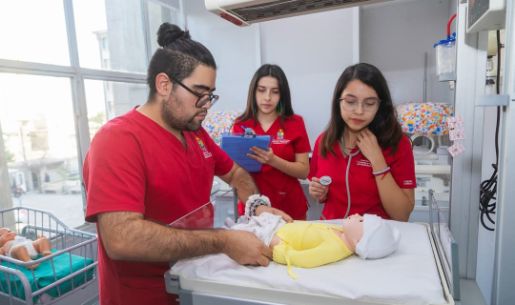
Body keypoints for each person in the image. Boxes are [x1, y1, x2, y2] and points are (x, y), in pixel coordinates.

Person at [83, 23, 291, 305]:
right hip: (143, 295)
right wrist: (223, 241)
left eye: (211, 95)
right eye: (200, 93)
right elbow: (122, 238)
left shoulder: (194, 132)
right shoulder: (118, 140)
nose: (207, 104)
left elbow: (237, 173)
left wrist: (257, 205)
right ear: (164, 85)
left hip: (192, 283)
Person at [308, 63, 416, 221]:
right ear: (338, 101)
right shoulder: (324, 141)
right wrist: (319, 192)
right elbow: (324, 194)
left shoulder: (398, 144)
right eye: (350, 102)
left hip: (374, 238)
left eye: (369, 103)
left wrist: (377, 160)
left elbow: (402, 214)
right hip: (333, 235)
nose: (359, 111)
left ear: (380, 105)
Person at [232, 64, 311, 220]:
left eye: (274, 92)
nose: (267, 97)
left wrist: (273, 160)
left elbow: (304, 172)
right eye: (261, 90)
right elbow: (236, 171)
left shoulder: (295, 123)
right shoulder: (241, 124)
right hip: (254, 207)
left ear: (282, 95)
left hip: (289, 205)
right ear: (253, 92)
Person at [231, 213, 400, 279]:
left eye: (361, 220)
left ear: (358, 242)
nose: (356, 215)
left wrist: (279, 251)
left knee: (246, 236)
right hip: (280, 226)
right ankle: (241, 224)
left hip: (274, 238)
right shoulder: (340, 231)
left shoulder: (334, 249)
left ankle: (233, 230)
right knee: (260, 219)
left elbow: (306, 259)